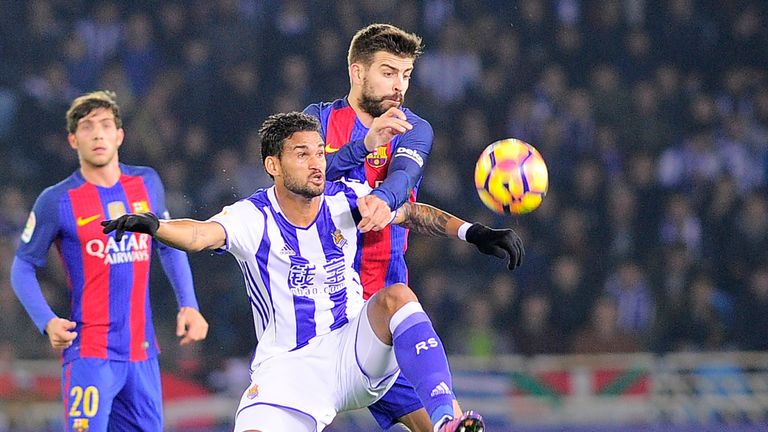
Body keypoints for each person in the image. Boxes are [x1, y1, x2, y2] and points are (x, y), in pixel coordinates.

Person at [102, 112, 523, 431]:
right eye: (302, 154)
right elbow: (200, 234)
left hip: (355, 351)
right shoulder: (254, 216)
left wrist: (473, 232)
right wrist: (156, 227)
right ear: (273, 165)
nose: (317, 162)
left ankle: (447, 419)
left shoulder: (347, 198)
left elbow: (408, 211)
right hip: (291, 371)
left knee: (396, 297)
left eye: (320, 152)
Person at [304, 23, 524, 430]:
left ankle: (449, 420)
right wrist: (363, 147)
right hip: (314, 308)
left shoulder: (414, 128)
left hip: (379, 310)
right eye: (388, 72)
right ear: (357, 73)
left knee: (440, 422)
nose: (399, 85)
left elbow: (402, 183)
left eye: (405, 75)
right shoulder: (315, 121)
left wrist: (471, 231)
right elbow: (302, 175)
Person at [10, 90, 209, 432]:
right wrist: (47, 321)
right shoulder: (57, 200)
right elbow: (22, 265)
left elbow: (168, 245)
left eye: (105, 125)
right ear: (73, 139)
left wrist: (188, 304)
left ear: (120, 135)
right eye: (87, 127)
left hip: (142, 353)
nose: (98, 133)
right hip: (90, 354)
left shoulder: (147, 183)